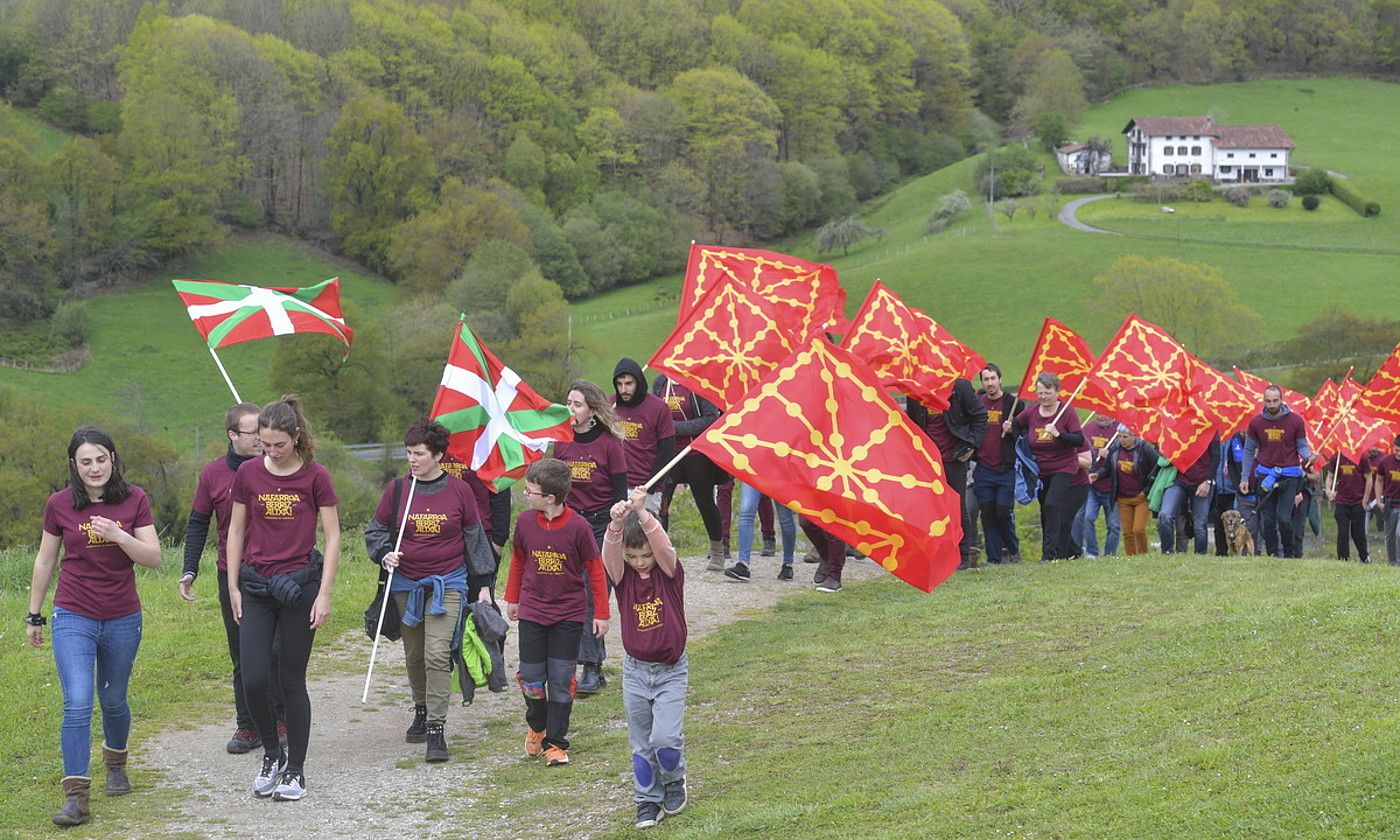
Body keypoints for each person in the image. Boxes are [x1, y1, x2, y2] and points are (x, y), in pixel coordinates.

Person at [27, 427, 162, 827]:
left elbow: (152, 558)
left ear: (113, 459)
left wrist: (119, 535)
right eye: (85, 461)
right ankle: (76, 797)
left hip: (122, 615)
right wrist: (34, 614)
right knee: (78, 701)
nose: (94, 467)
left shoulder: (135, 499)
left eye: (100, 459)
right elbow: (44, 561)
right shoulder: (59, 504)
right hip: (73, 613)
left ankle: (116, 764)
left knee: (114, 699)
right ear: (74, 466)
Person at [227, 396, 341, 802]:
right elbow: (236, 531)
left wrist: (324, 594)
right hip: (257, 587)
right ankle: (273, 756)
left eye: (278, 444)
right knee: (254, 678)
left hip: (300, 588)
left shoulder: (316, 476)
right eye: (264, 444)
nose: (271, 452)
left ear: (295, 437)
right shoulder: (248, 475)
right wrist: (234, 587)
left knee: (291, 679)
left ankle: (296, 770)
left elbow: (332, 536)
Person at [365, 419, 496, 762]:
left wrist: (483, 584)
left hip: (448, 583)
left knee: (438, 653)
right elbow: (375, 530)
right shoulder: (397, 491)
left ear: (438, 455)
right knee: (415, 654)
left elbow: (475, 538)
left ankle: (437, 727)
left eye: (419, 453)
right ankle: (421, 709)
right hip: (406, 584)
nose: (412, 459)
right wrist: (384, 553)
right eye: (409, 452)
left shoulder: (459, 491)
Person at [180, 402, 288, 755]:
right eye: (252, 433)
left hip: (277, 571)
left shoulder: (276, 468)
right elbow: (198, 523)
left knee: (276, 650)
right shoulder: (213, 474)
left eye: (263, 431)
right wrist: (189, 569)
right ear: (232, 435)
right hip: (234, 574)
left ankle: (281, 716)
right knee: (243, 654)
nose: (260, 439)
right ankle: (248, 724)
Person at [502, 458, 610, 766]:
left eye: (530, 490)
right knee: (532, 678)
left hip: (569, 614)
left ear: (550, 498)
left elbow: (595, 570)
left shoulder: (579, 527)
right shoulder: (524, 522)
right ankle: (537, 725)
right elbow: (520, 560)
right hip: (533, 609)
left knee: (562, 679)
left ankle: (556, 743)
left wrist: (601, 613)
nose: (525, 494)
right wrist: (513, 597)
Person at [602, 487, 689, 829]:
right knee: (641, 745)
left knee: (664, 740)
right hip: (636, 673)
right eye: (633, 557)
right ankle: (646, 800)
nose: (640, 563)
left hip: (670, 672)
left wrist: (643, 514)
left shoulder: (669, 575)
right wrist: (616, 526)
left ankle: (674, 781)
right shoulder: (623, 580)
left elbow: (664, 548)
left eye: (645, 556)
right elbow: (610, 555)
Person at [553, 379, 628, 695]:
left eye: (577, 404)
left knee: (591, 594)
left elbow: (620, 495)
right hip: (571, 525)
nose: (570, 409)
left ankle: (592, 668)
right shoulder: (562, 443)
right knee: (568, 594)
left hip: (601, 525)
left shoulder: (610, 445)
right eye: (568, 403)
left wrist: (616, 528)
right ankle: (571, 661)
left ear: (592, 410)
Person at [906, 378, 988, 569]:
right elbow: (912, 424)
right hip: (928, 460)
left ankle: (963, 555)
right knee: (931, 508)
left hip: (954, 457)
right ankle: (938, 554)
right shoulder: (915, 388)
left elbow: (980, 416)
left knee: (957, 506)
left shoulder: (959, 386)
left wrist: (971, 444)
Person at [1006, 373, 1089, 562]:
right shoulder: (1032, 412)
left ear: (1057, 392)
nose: (1043, 396)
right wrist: (1022, 444)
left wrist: (1058, 434)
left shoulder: (1067, 412)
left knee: (1052, 504)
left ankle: (1049, 556)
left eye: (1047, 392)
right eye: (1040, 392)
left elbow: (1078, 439)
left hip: (1065, 467)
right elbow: (1017, 426)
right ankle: (1074, 552)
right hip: (1041, 469)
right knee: (1046, 511)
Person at [651, 374, 726, 573]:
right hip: (668, 454)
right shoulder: (661, 383)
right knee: (661, 503)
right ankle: (660, 553)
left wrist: (673, 428)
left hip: (695, 454)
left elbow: (711, 419)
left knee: (705, 502)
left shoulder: (698, 383)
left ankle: (718, 551)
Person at [1240, 386, 1311, 558]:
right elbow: (1249, 450)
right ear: (1263, 401)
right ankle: (1272, 555)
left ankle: (1288, 553)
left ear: (1282, 399)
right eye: (1268, 401)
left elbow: (1301, 445)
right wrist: (1244, 478)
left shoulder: (1296, 421)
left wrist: (1308, 455)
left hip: (1289, 475)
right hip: (1265, 476)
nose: (1272, 404)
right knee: (1269, 520)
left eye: (1275, 400)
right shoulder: (1256, 422)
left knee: (1284, 519)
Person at [973, 364, 1025, 564]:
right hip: (984, 468)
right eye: (986, 379)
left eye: (993, 378)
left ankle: (1013, 549)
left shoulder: (1014, 403)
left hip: (1006, 469)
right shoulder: (978, 402)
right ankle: (993, 559)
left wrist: (1013, 430)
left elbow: (1025, 436)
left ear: (1000, 379)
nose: (990, 383)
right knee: (987, 514)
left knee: (1003, 512)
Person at [611, 358, 676, 515]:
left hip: (647, 488)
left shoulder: (658, 407)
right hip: (616, 485)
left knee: (646, 536)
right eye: (619, 384)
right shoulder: (611, 405)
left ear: (638, 382)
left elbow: (668, 449)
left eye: (628, 383)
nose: (623, 389)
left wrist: (651, 484)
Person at [1091, 427, 1159, 556]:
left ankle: (1143, 556)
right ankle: (1131, 558)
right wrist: (1098, 475)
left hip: (1141, 496)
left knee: (1138, 529)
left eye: (1125, 437)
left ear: (1134, 436)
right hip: (1123, 497)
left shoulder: (1145, 449)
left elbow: (1157, 470)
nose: (1121, 440)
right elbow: (1107, 469)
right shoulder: (1115, 449)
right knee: (1127, 532)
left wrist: (1146, 491)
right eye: (1119, 436)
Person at [1158, 436, 1220, 555]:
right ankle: (1167, 553)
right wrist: (1163, 450)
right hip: (1178, 479)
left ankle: (1200, 557)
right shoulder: (1179, 423)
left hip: (1201, 481)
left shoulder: (1210, 427)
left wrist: (1208, 481)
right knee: (1165, 516)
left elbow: (1216, 457)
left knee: (1200, 524)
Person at [726, 483, 798, 581]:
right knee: (746, 511)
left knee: (785, 519)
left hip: (781, 473)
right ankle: (743, 563)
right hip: (754, 471)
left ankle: (788, 564)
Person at [1075, 414, 1123, 557]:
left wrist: (1110, 454)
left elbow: (1128, 458)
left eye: (1103, 414)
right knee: (1087, 518)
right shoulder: (1087, 428)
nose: (1100, 417)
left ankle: (1110, 554)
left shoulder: (1121, 430)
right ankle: (1092, 553)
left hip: (1112, 487)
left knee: (1114, 525)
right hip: (1091, 484)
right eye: (1097, 414)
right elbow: (1080, 450)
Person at [1326, 453, 1371, 563]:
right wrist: (1328, 490)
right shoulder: (1336, 458)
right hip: (1342, 501)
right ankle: (1343, 559)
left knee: (1357, 533)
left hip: (1358, 501)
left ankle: (1364, 557)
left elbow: (1369, 478)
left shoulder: (1362, 458)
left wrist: (1365, 500)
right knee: (1342, 533)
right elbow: (1330, 476)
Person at [1377, 437, 1400, 564]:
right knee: (1389, 536)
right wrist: (1379, 499)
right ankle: (1392, 562)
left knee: (1399, 534)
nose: (1399, 453)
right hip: (1389, 503)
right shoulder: (1384, 461)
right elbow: (1379, 480)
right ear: (1393, 447)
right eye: (1397, 450)